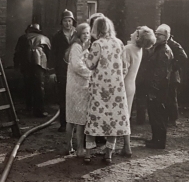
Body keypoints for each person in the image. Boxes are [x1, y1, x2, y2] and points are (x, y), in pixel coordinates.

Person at [84, 16, 130, 165]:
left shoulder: (97, 44)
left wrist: (86, 54)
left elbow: (90, 65)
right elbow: (124, 66)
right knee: (113, 121)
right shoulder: (119, 43)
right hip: (116, 89)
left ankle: (88, 154)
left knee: (94, 119)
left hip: (99, 88)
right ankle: (108, 155)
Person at [118, 26, 156, 156]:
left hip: (123, 85)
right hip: (131, 85)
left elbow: (123, 70)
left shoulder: (128, 49)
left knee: (120, 115)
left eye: (136, 32)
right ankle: (126, 146)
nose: (133, 32)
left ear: (138, 37)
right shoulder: (139, 50)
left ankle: (123, 146)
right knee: (126, 116)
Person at [145, 24, 173, 149]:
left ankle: (159, 141)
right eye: (156, 33)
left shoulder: (164, 50)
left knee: (158, 114)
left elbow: (160, 73)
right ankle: (156, 139)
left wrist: (153, 89)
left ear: (166, 36)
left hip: (159, 89)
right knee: (154, 113)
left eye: (159, 34)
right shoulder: (159, 48)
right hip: (157, 87)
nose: (156, 36)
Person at [65, 23, 91, 157]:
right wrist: (90, 74)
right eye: (84, 33)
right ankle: (78, 148)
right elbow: (77, 65)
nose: (86, 35)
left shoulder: (84, 46)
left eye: (88, 33)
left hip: (80, 85)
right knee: (78, 119)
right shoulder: (76, 46)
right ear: (79, 34)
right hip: (77, 85)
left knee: (74, 117)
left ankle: (70, 145)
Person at [13, 24, 51, 117]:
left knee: (28, 85)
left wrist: (16, 65)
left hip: (26, 63)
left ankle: (29, 108)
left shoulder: (23, 37)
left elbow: (17, 53)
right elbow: (49, 53)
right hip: (39, 64)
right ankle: (40, 110)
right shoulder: (44, 38)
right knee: (39, 87)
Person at [51, 9, 77, 132]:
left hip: (76, 70)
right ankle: (63, 124)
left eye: (70, 21)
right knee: (63, 98)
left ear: (73, 22)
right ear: (61, 22)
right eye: (65, 21)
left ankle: (76, 124)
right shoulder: (57, 37)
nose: (68, 23)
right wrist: (53, 72)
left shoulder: (77, 35)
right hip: (62, 71)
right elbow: (53, 55)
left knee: (75, 97)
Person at [166, 28, 188, 126]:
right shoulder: (167, 44)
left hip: (173, 76)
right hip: (167, 75)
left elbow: (183, 57)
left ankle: (173, 119)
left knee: (171, 97)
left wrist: (174, 66)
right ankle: (168, 117)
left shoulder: (174, 45)